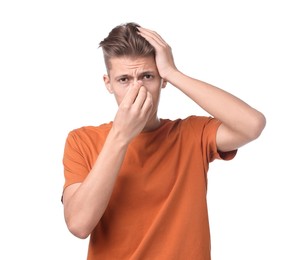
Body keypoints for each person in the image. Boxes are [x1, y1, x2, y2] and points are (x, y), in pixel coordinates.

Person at [61, 22, 266, 260]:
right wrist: (121, 136)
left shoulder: (191, 134)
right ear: (109, 84)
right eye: (124, 79)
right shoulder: (81, 140)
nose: (137, 89)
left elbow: (252, 124)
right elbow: (78, 224)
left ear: (162, 81)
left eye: (147, 76)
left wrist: (173, 72)